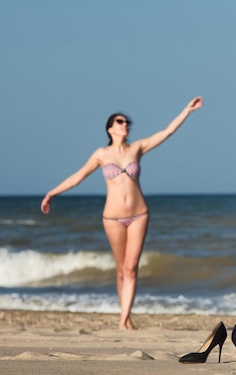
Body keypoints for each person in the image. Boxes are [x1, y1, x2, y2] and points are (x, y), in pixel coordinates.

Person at [41, 96, 203, 330]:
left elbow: (167, 132)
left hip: (139, 214)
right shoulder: (101, 154)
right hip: (112, 217)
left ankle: (122, 320)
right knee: (120, 271)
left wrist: (187, 110)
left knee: (131, 269)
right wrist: (51, 194)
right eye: (120, 121)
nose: (125, 124)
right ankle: (126, 317)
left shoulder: (137, 148)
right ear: (110, 128)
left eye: (127, 121)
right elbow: (77, 177)